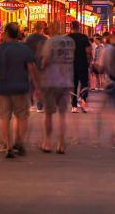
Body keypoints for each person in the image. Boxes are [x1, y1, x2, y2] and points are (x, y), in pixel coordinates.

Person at [0, 22, 39, 158]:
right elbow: (32, 69)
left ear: (5, 33)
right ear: (18, 35)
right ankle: (19, 142)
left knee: (4, 118)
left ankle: (8, 146)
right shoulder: (25, 49)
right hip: (21, 88)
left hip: (3, 89)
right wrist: (37, 87)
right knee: (22, 117)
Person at [38, 24, 74, 154]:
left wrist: (41, 67)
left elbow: (46, 60)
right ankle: (61, 143)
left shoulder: (50, 42)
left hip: (51, 81)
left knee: (48, 114)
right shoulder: (70, 42)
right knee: (62, 115)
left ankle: (47, 142)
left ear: (52, 30)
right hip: (66, 80)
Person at [67, 20, 92, 113]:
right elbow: (89, 51)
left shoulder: (67, 38)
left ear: (71, 27)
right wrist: (89, 61)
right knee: (84, 83)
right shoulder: (84, 37)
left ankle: (74, 106)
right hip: (83, 63)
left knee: (73, 84)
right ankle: (83, 99)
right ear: (79, 27)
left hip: (71, 64)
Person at [24, 23, 48, 112]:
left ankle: (31, 103)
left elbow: (25, 50)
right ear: (41, 29)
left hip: (30, 63)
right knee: (41, 85)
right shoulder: (45, 39)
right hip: (41, 64)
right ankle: (40, 104)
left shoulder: (28, 38)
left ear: (34, 28)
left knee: (30, 84)